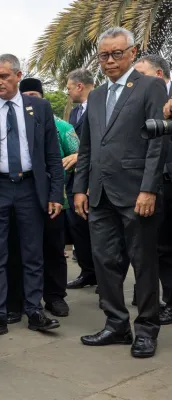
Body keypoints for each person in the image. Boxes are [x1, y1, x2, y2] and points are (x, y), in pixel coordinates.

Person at [73, 27, 168, 358]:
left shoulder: (150, 87)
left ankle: (146, 329)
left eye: (116, 54)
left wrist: (149, 189)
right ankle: (116, 324)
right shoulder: (96, 95)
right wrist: (80, 189)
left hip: (135, 194)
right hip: (98, 195)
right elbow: (87, 148)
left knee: (144, 264)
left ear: (132, 53)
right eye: (104, 55)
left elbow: (159, 141)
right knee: (104, 262)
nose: (110, 60)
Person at [0, 54, 64, 338]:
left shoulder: (40, 107)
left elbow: (52, 155)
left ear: (18, 76)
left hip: (30, 188)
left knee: (33, 253)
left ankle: (34, 310)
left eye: (4, 76)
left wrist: (55, 192)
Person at [6, 78, 79, 318]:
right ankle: (22, 300)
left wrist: (74, 159)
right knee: (21, 250)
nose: (29, 101)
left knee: (53, 248)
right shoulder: (13, 123)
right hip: (24, 198)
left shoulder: (61, 127)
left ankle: (55, 296)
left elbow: (80, 152)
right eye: (24, 95)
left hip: (54, 198)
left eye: (33, 96)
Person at [134, 54, 172, 322]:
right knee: (161, 246)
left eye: (140, 75)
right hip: (157, 184)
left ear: (158, 75)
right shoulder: (140, 101)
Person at [65, 68, 97, 290]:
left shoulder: (102, 106)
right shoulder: (75, 114)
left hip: (96, 179)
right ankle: (88, 273)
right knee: (78, 228)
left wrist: (80, 156)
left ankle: (104, 276)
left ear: (79, 86)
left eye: (68, 88)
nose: (67, 93)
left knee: (97, 230)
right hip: (76, 180)